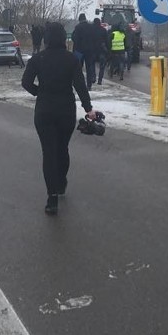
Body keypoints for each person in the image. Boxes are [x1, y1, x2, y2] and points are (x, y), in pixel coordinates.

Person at [21, 22, 98, 216]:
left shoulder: (38, 59)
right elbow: (80, 86)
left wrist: (40, 92)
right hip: (66, 111)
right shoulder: (71, 60)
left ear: (46, 38)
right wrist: (88, 109)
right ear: (64, 38)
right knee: (62, 148)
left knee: (49, 152)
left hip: (44, 111)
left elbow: (26, 82)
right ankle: (61, 182)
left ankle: (51, 198)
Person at [71, 13, 97, 88]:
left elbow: (74, 38)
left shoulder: (78, 27)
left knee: (78, 68)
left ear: (79, 20)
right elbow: (94, 38)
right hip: (89, 51)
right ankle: (89, 85)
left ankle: (79, 83)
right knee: (89, 68)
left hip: (79, 51)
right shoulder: (91, 27)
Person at [92, 18, 110, 85]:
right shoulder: (103, 30)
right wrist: (108, 50)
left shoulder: (91, 30)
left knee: (92, 65)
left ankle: (93, 77)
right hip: (102, 51)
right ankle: (100, 80)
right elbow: (107, 41)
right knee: (102, 67)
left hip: (92, 50)